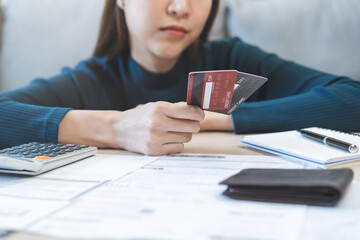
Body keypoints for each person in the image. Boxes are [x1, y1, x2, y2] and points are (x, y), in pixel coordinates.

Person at [0, 0, 359, 155]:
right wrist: (117, 128)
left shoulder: (232, 60)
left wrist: (220, 121)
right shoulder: (92, 80)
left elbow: (351, 98)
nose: (180, 7)